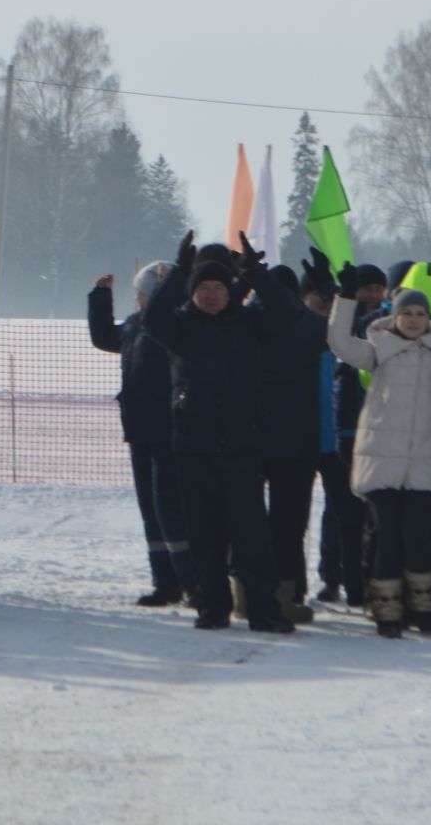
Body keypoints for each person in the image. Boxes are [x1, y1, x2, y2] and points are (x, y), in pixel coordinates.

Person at [141, 232, 300, 634]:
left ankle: (264, 610)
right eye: (204, 288)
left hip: (243, 448)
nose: (212, 295)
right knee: (205, 536)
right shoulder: (179, 328)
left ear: (231, 292)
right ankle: (212, 608)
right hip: (194, 448)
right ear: (193, 292)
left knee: (252, 537)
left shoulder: (250, 325)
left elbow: (288, 313)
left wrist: (256, 274)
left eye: (219, 288)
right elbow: (151, 319)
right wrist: (179, 273)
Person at [324, 265, 431, 638]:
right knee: (387, 537)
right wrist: (346, 299)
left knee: (416, 537)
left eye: (420, 314)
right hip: (383, 461)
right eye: (407, 313)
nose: (414, 321)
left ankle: (424, 608)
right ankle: (387, 612)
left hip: (425, 464)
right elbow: (338, 342)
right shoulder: (377, 351)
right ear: (393, 316)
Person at [90, 261, 193, 607]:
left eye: (141, 295)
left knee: (171, 508)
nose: (137, 300)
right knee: (151, 508)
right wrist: (100, 299)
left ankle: (191, 580)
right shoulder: (135, 325)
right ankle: (165, 582)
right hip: (139, 431)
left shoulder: (176, 325)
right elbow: (105, 337)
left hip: (170, 432)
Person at [257, 263, 329, 624]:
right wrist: (333, 293)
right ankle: (288, 594)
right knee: (290, 524)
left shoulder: (245, 323)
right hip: (298, 442)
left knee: (249, 522)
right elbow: (340, 333)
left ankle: (249, 591)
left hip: (249, 439)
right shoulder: (311, 327)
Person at [316, 263, 385, 607]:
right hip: (341, 437)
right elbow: (341, 386)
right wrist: (342, 432)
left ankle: (364, 581)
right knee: (340, 512)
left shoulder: (388, 326)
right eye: (366, 288)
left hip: (376, 439)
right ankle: (333, 576)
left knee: (371, 515)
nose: (372, 295)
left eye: (378, 288)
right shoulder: (343, 326)